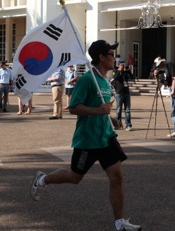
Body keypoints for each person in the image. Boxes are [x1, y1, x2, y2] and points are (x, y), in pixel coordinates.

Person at [30, 40, 141, 231]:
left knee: (117, 177)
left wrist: (111, 119)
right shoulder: (87, 79)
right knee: (75, 177)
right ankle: (42, 179)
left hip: (106, 137)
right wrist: (97, 111)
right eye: (111, 54)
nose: (115, 58)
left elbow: (102, 108)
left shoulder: (105, 80)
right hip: (88, 139)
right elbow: (73, 107)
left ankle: (120, 222)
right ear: (102, 57)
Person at [153, 57, 175, 139]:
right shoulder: (162, 71)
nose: (159, 67)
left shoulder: (170, 65)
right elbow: (160, 84)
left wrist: (173, 90)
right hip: (171, 88)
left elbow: (174, 78)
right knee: (173, 110)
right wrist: (156, 76)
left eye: (160, 64)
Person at [112, 61, 134, 131]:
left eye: (123, 65)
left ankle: (128, 125)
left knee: (127, 110)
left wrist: (128, 71)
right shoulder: (115, 71)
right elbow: (115, 78)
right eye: (121, 65)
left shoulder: (125, 72)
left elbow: (132, 78)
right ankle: (118, 124)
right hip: (119, 93)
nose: (123, 66)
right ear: (118, 65)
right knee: (119, 110)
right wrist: (120, 71)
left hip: (126, 93)